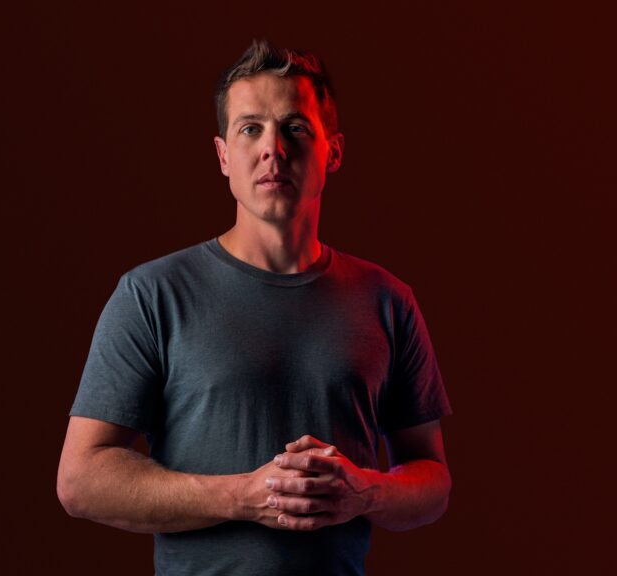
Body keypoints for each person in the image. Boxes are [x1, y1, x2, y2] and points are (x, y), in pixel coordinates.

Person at [56, 39, 452, 575]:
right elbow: (80, 480)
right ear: (223, 155)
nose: (273, 149)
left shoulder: (388, 300)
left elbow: (433, 480)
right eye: (250, 129)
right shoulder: (151, 295)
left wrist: (365, 491)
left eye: (295, 127)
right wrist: (243, 495)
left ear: (333, 152)